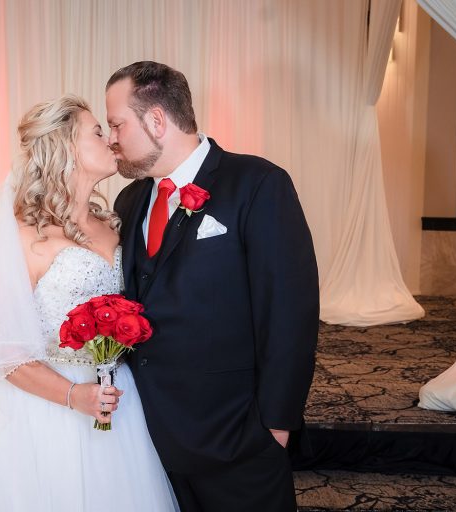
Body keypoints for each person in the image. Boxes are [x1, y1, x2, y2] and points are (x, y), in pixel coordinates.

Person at [0, 95, 177, 511]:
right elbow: (1, 351)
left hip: (115, 393)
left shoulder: (115, 223)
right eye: (97, 131)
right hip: (39, 407)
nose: (111, 139)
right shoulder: (25, 238)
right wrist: (74, 396)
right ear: (64, 148)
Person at [107, 61, 319, 512]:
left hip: (237, 441)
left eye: (117, 124)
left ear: (157, 120)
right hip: (148, 443)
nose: (112, 139)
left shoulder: (259, 184)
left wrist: (276, 426)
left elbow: (288, 312)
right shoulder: (129, 200)